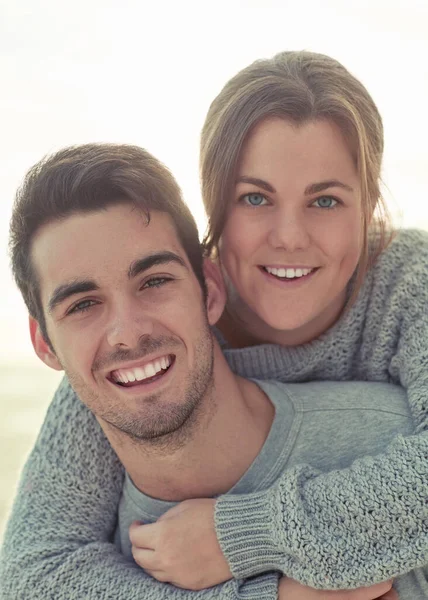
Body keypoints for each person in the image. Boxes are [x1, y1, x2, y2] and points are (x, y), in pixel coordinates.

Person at [2, 47, 428, 592]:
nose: (289, 236)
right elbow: (35, 571)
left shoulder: (409, 284)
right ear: (214, 208)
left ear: (368, 208)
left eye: (325, 201)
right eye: (255, 198)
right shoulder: (155, 338)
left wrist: (245, 536)